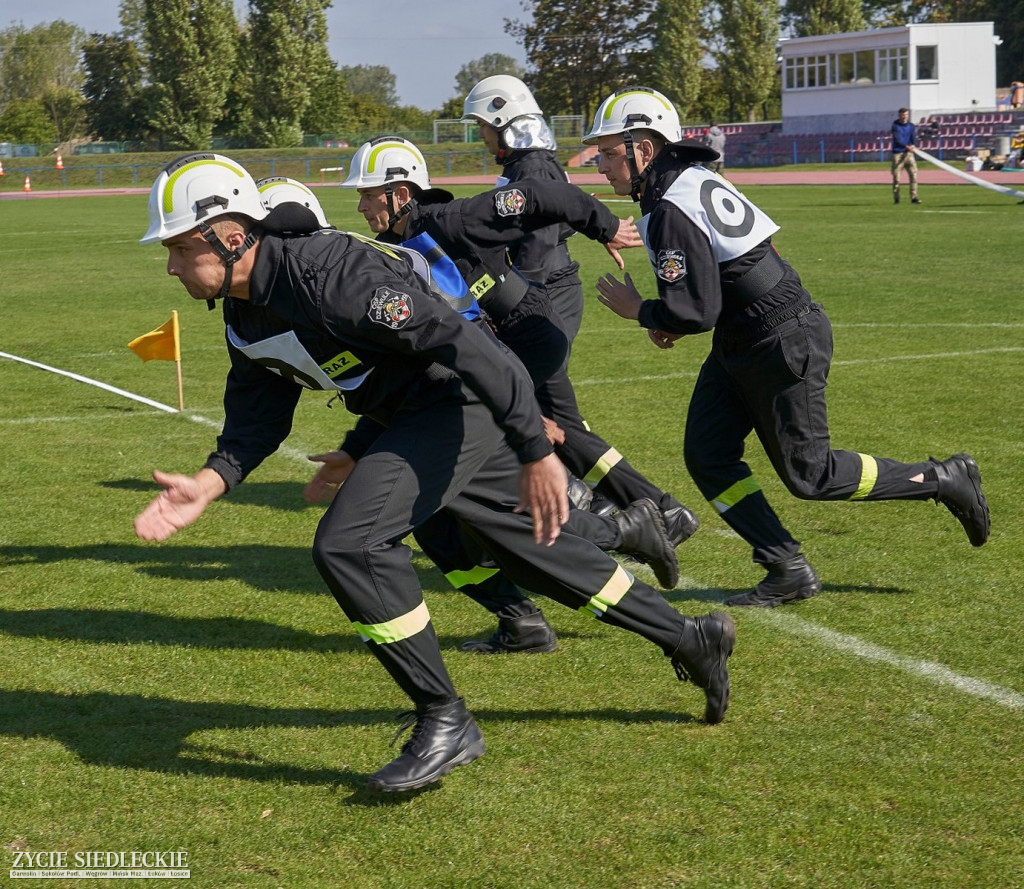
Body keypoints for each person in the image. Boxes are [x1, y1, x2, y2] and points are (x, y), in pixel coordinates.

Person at [134, 152, 736, 792]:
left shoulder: (330, 273)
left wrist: (534, 451)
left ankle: (446, 720)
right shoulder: (243, 310)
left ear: (232, 237)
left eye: (179, 247)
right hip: (416, 411)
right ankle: (690, 636)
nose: (171, 265)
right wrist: (212, 480)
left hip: (461, 400)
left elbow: (469, 347)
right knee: (534, 552)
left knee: (351, 543)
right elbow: (260, 412)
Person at [584, 86, 990, 607]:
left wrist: (641, 311)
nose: (600, 164)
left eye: (610, 151)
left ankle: (942, 478)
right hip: (751, 336)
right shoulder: (688, 182)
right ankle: (785, 565)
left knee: (811, 475)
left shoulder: (670, 204)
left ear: (645, 148)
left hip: (776, 338)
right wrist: (681, 317)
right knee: (708, 455)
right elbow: (742, 265)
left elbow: (695, 310)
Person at [335, 135, 702, 653]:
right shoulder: (401, 241)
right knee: (526, 453)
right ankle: (616, 531)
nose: (361, 205)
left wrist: (604, 227)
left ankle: (621, 528)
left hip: (526, 338)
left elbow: (546, 197)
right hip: (503, 344)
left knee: (506, 470)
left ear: (400, 193)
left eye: (369, 194)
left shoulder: (449, 220)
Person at [890, 108, 920, 205]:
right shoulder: (895, 126)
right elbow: (898, 139)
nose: (904, 117)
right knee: (896, 178)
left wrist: (913, 145)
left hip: (909, 154)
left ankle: (914, 197)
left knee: (913, 175)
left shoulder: (911, 126)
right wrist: (906, 146)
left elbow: (913, 138)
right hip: (898, 154)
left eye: (906, 114)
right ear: (899, 115)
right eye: (903, 115)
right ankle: (896, 198)